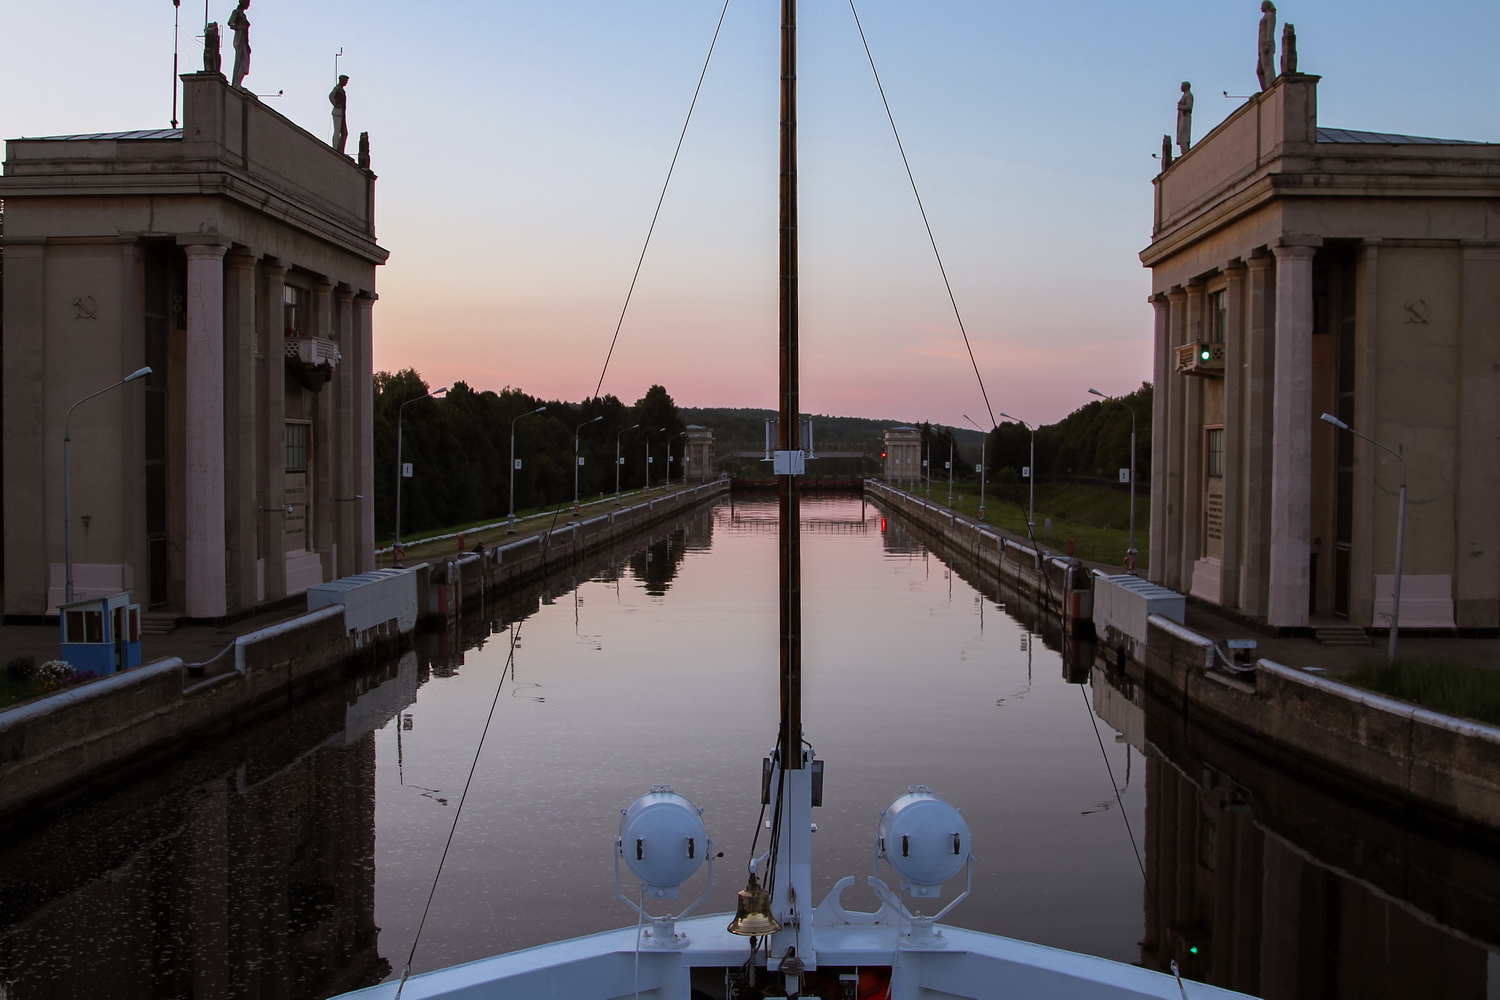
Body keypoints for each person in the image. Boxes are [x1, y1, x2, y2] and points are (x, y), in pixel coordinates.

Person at [228, 0, 251, 87]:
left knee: (245, 61)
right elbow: (230, 23)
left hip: (244, 40)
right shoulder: (236, 12)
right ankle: (236, 83)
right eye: (248, 3)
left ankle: (238, 82)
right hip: (239, 38)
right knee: (240, 60)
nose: (248, 5)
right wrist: (239, 28)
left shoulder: (243, 15)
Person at [1257, 1, 1277, 91]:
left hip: (1266, 45)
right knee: (1259, 70)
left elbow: (1270, 30)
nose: (1261, 8)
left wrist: (1268, 43)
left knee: (1267, 67)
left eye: (1262, 6)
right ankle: (1265, 90)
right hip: (1261, 47)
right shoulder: (1264, 17)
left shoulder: (1270, 16)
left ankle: (1270, 88)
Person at [330, 75, 349, 153]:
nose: (346, 82)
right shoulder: (337, 89)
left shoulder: (341, 90)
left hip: (342, 113)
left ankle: (340, 150)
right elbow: (331, 96)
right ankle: (335, 148)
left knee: (344, 132)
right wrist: (336, 104)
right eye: (345, 80)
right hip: (338, 112)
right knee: (337, 130)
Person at [1176, 82, 1194, 154]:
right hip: (1182, 118)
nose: (1180, 87)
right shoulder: (1185, 96)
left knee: (1183, 137)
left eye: (1182, 86)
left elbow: (1189, 106)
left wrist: (1180, 107)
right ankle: (1184, 153)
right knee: (1181, 137)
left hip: (1185, 118)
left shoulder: (1189, 95)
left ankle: (1185, 154)